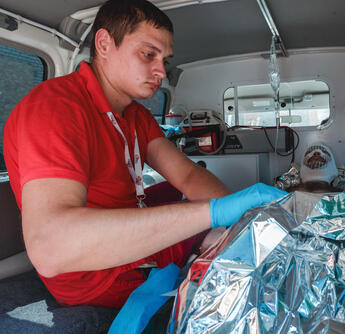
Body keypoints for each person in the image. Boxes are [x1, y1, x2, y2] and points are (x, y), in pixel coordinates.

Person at [3, 0, 285, 308]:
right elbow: (50, 248)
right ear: (104, 43)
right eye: (148, 54)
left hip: (125, 231)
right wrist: (214, 214)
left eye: (165, 59)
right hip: (96, 273)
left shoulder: (135, 115)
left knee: (181, 197)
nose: (161, 71)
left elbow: (187, 175)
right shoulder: (55, 109)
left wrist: (245, 221)